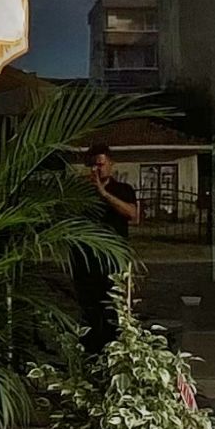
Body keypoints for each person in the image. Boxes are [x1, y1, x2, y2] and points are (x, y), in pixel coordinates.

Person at [72, 145, 140, 348]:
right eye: (92, 166)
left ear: (111, 164)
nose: (97, 170)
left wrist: (104, 194)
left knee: (114, 307)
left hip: (114, 261)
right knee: (90, 309)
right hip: (86, 260)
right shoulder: (81, 192)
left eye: (101, 165)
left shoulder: (123, 190)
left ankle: (115, 346)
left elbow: (133, 215)